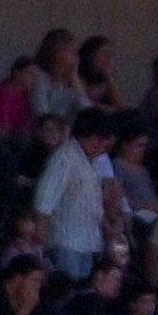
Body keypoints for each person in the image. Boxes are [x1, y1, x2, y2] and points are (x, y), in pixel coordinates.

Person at [36, 111, 112, 276]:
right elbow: (44, 203)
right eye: (98, 140)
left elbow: (94, 205)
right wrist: (38, 247)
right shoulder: (64, 159)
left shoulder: (92, 162)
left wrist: (108, 228)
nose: (100, 146)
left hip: (88, 242)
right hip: (65, 242)